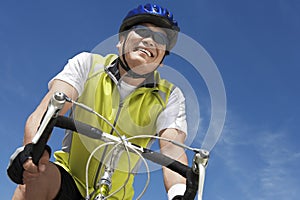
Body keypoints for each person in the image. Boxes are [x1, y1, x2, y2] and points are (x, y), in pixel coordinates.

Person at [9, 3, 189, 200]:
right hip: (69, 178)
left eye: (160, 38)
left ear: (162, 59)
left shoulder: (170, 95)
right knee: (35, 177)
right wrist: (32, 149)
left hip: (117, 196)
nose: (149, 41)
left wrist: (179, 193)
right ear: (121, 40)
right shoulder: (88, 64)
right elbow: (46, 111)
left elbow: (172, 149)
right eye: (141, 31)